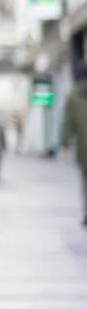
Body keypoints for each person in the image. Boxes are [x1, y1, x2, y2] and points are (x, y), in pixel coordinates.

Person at [60, 61, 87, 228]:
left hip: (84, 149)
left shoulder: (73, 96)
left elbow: (67, 123)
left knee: (85, 181)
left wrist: (64, 144)